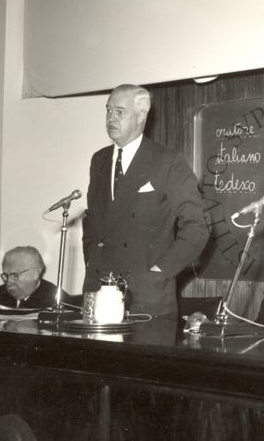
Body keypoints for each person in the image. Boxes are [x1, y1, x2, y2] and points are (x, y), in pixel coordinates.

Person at [82, 84, 209, 316]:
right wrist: (92, 264)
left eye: (120, 112)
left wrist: (159, 272)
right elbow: (92, 221)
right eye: (108, 110)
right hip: (99, 291)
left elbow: (197, 229)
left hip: (146, 296)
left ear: (141, 116)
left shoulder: (168, 162)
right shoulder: (98, 160)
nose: (111, 118)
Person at [0, 246, 64, 309]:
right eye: (6, 276)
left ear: (34, 274)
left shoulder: (57, 300)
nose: (8, 282)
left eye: (14, 275)